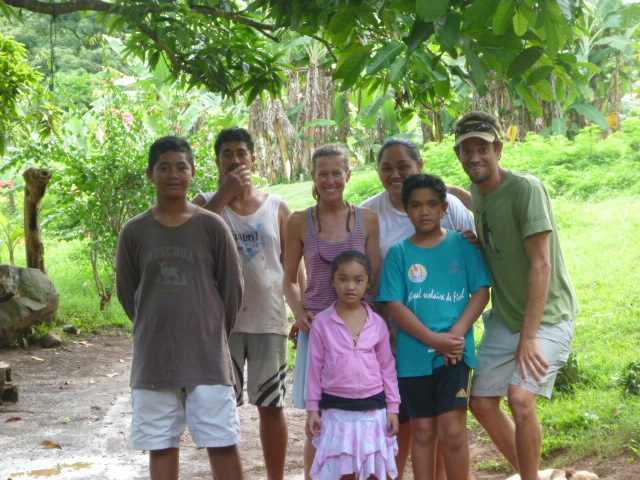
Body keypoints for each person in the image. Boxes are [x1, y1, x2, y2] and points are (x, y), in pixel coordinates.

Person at [452, 112, 579, 480]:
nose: (475, 157)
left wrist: (529, 337)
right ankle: (532, 474)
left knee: (521, 400)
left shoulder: (526, 189)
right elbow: (479, 205)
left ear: (499, 149)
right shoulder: (478, 191)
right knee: (481, 403)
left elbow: (542, 266)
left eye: (482, 148)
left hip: (547, 317)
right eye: (467, 150)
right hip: (505, 316)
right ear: (458, 154)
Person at [116, 136, 244, 480]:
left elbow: (231, 291)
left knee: (222, 441)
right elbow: (130, 294)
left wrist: (210, 330)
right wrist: (156, 324)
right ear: (150, 174)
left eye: (181, 167)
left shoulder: (211, 226)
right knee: (160, 444)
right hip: (154, 358)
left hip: (207, 359)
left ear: (193, 173)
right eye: (164, 167)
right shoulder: (135, 231)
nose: (173, 174)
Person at [360, 137, 476, 479]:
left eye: (403, 166)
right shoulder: (371, 216)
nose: (395, 174)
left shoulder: (452, 209)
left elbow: (478, 277)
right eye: (386, 167)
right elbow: (382, 292)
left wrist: (453, 336)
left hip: (454, 345)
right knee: (413, 427)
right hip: (400, 342)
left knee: (451, 430)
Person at [192, 127, 293, 480]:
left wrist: (299, 310)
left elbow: (292, 266)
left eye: (241, 153)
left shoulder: (277, 206)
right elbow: (190, 238)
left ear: (253, 158)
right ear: (216, 161)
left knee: (271, 406)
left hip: (269, 319)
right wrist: (224, 195)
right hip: (221, 325)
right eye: (226, 154)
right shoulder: (204, 204)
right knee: (222, 408)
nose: (235, 160)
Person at [377, 174, 491, 480]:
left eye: (431, 205)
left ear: (444, 208)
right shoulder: (399, 253)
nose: (423, 211)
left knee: (453, 432)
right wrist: (432, 339)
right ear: (406, 209)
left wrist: (455, 335)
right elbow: (394, 304)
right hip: (413, 359)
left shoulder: (463, 244)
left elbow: (481, 291)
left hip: (456, 353)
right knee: (423, 432)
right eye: (415, 205)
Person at [283, 144, 381, 480]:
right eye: (322, 173)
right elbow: (289, 281)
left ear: (348, 175)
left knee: (361, 416)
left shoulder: (367, 220)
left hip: (358, 335)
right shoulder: (299, 222)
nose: (330, 180)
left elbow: (376, 281)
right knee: (319, 420)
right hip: (317, 333)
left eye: (336, 173)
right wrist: (300, 314)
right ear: (312, 176)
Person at [306, 250, 400, 480]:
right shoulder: (322, 323)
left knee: (372, 472)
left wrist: (393, 409)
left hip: (373, 408)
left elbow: (387, 367)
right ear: (333, 281)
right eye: (343, 279)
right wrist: (312, 409)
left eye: (358, 280)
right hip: (336, 410)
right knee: (342, 471)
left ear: (368, 283)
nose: (350, 286)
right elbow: (314, 368)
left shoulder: (377, 323)